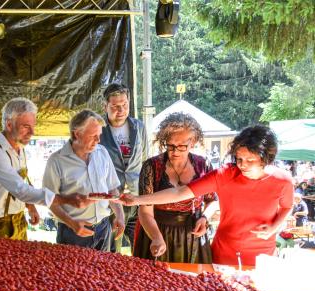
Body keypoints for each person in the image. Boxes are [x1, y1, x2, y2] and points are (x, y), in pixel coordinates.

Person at [119, 124, 293, 267]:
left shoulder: (283, 180)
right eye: (239, 159)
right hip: (224, 253)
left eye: (250, 160)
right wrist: (138, 199)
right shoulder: (224, 174)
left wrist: (274, 226)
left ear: (267, 158)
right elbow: (179, 193)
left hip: (264, 255)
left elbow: (286, 206)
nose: (242, 165)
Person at [0, 97, 89, 240]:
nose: (32, 132)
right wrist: (66, 200)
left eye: (33, 126)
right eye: (26, 126)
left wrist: (30, 207)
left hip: (17, 217)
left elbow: (22, 180)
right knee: (0, 262)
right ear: (9, 125)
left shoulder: (20, 147)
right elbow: (20, 189)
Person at [134, 112, 218, 263]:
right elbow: (145, 211)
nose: (175, 151)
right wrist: (156, 237)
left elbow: (212, 201)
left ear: (193, 142)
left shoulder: (203, 165)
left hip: (193, 235)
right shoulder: (152, 166)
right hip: (158, 231)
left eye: (181, 146)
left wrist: (205, 218)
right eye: (170, 145)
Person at [43, 110, 125, 251]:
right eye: (93, 136)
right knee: (73, 272)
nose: (98, 140)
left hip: (103, 228)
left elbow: (112, 189)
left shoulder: (102, 152)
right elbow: (49, 200)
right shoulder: (56, 161)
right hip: (72, 232)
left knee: (102, 272)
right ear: (77, 134)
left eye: (99, 135)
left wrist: (120, 215)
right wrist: (73, 224)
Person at [99, 83, 149, 252]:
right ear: (105, 106)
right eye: (115, 106)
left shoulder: (139, 127)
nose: (120, 110)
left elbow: (145, 161)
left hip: (136, 198)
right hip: (110, 200)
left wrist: (146, 196)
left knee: (141, 249)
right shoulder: (97, 129)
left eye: (125, 105)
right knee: (113, 252)